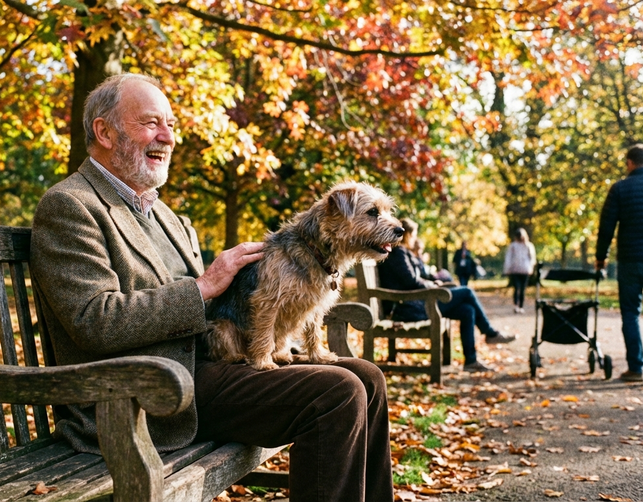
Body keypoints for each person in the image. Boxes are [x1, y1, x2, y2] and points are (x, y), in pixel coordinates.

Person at [30, 73, 393, 501]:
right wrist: (203, 286)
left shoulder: (163, 214)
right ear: (104, 131)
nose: (167, 137)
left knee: (367, 377)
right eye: (151, 123)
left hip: (209, 364)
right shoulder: (70, 206)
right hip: (138, 395)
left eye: (170, 124)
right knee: (337, 392)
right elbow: (94, 320)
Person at [378, 218, 517, 373]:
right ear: (408, 234)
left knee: (467, 311)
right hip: (408, 307)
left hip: (415, 303)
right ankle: (490, 332)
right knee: (467, 291)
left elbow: (412, 280)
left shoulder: (403, 253)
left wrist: (433, 282)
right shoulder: (398, 252)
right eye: (414, 235)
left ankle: (471, 361)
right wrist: (432, 285)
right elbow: (411, 281)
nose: (415, 239)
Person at [595, 143, 643, 383]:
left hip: (630, 261)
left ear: (629, 163)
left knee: (630, 313)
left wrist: (600, 257)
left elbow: (606, 226)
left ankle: (636, 368)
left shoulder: (620, 189)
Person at [503, 228, 537, 314]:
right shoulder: (513, 246)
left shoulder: (528, 246)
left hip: (525, 270)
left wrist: (531, 267)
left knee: (522, 289)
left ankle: (521, 306)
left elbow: (532, 258)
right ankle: (516, 305)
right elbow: (509, 258)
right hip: (515, 270)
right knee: (516, 288)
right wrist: (507, 268)